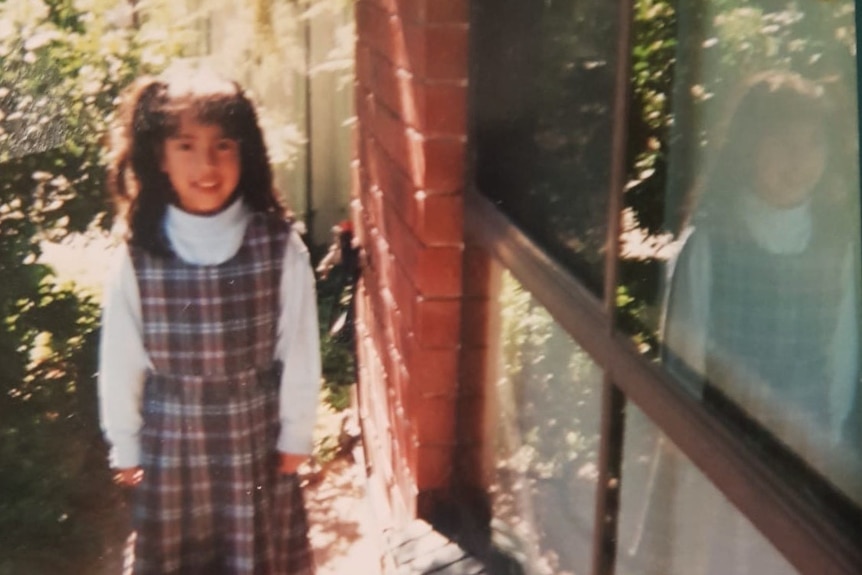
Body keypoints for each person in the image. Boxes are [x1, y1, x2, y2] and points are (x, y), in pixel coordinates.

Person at [633, 71, 861, 575]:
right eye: (781, 144)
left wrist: (826, 440)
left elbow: (843, 357)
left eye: (811, 145)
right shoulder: (712, 243)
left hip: (806, 449)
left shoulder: (837, 246)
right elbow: (685, 361)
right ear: (747, 150)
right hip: (726, 447)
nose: (798, 160)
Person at [98, 64, 320, 575]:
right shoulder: (141, 255)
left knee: (256, 557)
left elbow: (300, 351)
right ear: (159, 157)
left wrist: (296, 435)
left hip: (254, 442)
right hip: (172, 448)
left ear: (245, 151)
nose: (207, 163)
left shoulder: (278, 246)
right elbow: (121, 361)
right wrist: (125, 443)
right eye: (185, 145)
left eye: (223, 145)